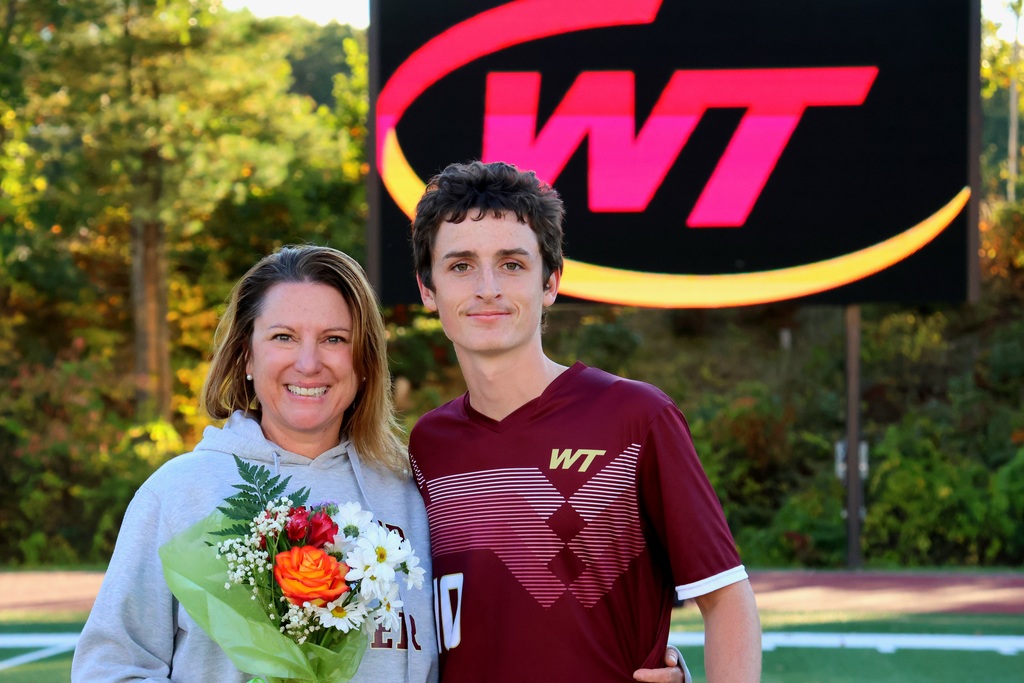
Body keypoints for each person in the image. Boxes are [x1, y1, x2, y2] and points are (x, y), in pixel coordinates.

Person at [407, 161, 762, 682]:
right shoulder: (428, 444)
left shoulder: (636, 418)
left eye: (511, 264)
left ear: (550, 281)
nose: (487, 287)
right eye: (461, 265)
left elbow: (727, 598)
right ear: (428, 289)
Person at [72, 245, 438, 682]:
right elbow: (109, 669)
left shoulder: (415, 492)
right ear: (247, 354)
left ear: (363, 362)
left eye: (334, 339)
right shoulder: (179, 493)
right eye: (283, 337)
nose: (308, 363)